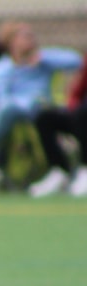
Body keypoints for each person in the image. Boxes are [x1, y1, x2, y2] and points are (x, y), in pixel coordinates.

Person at [0, 20, 82, 190]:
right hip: (2, 114)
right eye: (25, 36)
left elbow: (76, 61)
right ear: (11, 42)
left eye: (31, 36)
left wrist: (43, 58)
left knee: (9, 108)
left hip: (36, 108)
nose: (31, 40)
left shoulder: (43, 61)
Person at [29, 52, 87, 197]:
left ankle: (85, 168)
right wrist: (71, 108)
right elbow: (78, 92)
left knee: (83, 113)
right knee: (46, 118)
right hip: (81, 116)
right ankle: (60, 171)